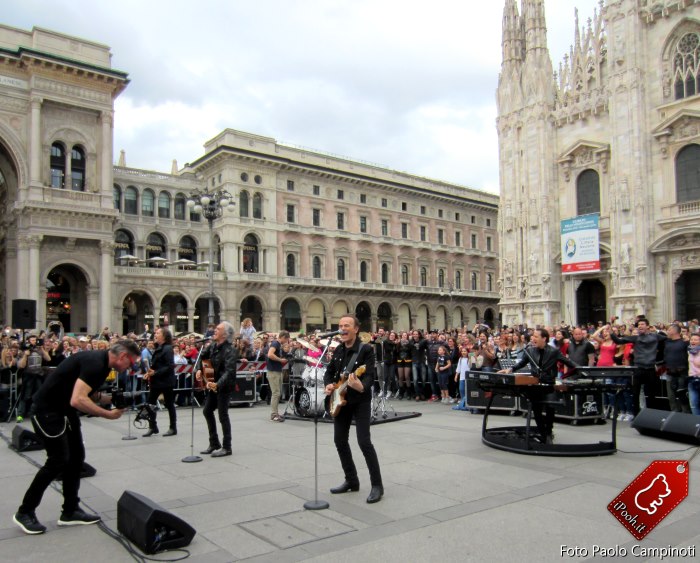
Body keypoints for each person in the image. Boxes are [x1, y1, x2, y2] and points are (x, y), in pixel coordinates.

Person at [13, 339, 140, 535]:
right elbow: (78, 399)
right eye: (130, 363)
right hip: (47, 411)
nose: (130, 368)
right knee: (57, 461)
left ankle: (70, 511)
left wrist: (114, 400)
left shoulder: (102, 365)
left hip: (65, 411)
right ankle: (25, 511)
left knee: (76, 459)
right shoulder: (95, 363)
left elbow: (89, 394)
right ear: (123, 356)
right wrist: (107, 414)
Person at [323, 316, 383, 503]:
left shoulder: (365, 350)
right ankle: (351, 480)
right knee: (339, 440)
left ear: (356, 329)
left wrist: (361, 386)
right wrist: (329, 385)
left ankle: (377, 485)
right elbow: (329, 372)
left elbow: (370, 375)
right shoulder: (339, 349)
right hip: (341, 401)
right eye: (340, 326)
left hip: (360, 401)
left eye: (346, 326)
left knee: (364, 442)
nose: (342, 329)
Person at [499, 328, 578, 443]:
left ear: (544, 338)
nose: (533, 338)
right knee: (536, 410)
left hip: (549, 384)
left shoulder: (553, 351)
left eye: (536, 336)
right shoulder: (530, 351)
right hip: (535, 384)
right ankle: (543, 433)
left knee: (550, 408)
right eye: (533, 336)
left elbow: (569, 363)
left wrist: (583, 370)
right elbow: (521, 363)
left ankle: (549, 431)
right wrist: (510, 369)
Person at [609, 318, 667, 416]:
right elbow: (618, 341)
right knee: (635, 393)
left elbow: (667, 337)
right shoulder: (635, 338)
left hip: (650, 369)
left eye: (642, 324)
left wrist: (658, 329)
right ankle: (636, 415)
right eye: (639, 324)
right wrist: (611, 329)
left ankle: (651, 415)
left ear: (648, 326)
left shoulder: (656, 336)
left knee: (651, 394)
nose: (640, 326)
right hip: (638, 369)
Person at [196, 322, 237, 457]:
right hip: (213, 383)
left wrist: (218, 384)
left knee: (222, 415)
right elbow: (202, 357)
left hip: (224, 386)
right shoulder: (213, 345)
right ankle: (214, 443)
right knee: (207, 411)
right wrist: (199, 370)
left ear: (225, 334)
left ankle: (227, 447)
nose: (214, 330)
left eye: (218, 329)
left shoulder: (230, 350)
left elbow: (229, 371)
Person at [143, 327, 177, 436]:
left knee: (169, 404)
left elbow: (170, 366)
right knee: (150, 403)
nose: (155, 334)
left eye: (158, 333)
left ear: (164, 336)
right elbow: (157, 365)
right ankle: (153, 426)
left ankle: (173, 427)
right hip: (156, 381)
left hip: (166, 381)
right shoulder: (159, 347)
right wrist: (149, 373)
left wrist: (155, 373)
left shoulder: (167, 348)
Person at [16, 334, 51, 422]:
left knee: (38, 395)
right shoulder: (24, 351)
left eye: (35, 340)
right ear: (28, 341)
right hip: (28, 375)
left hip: (38, 375)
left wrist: (42, 349)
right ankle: (20, 414)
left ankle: (36, 413)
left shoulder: (39, 350)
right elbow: (21, 365)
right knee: (25, 395)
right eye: (32, 340)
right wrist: (25, 355)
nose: (34, 342)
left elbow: (48, 359)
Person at [663, 324, 690, 413]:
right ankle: (674, 412)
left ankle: (685, 413)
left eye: (669, 329)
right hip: (669, 372)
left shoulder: (685, 343)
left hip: (682, 372)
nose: (667, 331)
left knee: (682, 394)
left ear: (675, 331)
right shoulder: (667, 342)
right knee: (671, 396)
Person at [266, 331, 290, 422]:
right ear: (283, 337)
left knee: (277, 393)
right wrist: (280, 360)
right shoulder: (275, 343)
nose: (286, 341)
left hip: (276, 370)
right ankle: (273, 414)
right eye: (286, 339)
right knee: (276, 393)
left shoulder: (278, 345)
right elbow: (270, 354)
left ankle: (275, 413)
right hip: (273, 371)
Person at [687, 333, 700, 415]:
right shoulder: (689, 351)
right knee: (693, 404)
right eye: (692, 339)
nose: (693, 341)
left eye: (696, 339)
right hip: (692, 379)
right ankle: (697, 424)